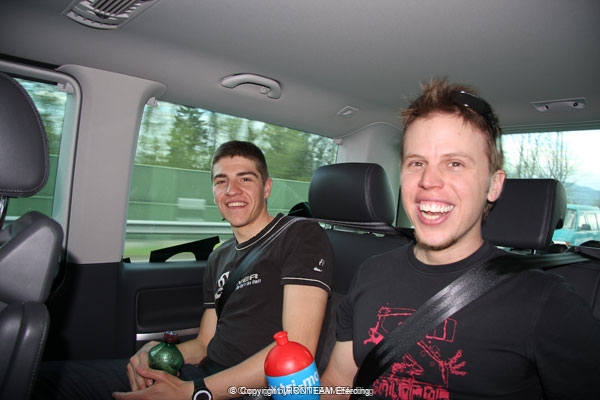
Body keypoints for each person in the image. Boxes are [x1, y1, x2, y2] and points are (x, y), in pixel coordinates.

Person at [320, 79, 600, 399]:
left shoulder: (546, 300)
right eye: (417, 163)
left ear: (493, 186)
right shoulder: (371, 273)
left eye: (455, 164)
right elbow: (338, 381)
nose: (429, 180)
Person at [34, 140, 333, 400]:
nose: (232, 191)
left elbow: (297, 348)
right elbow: (204, 343)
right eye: (221, 181)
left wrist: (195, 392)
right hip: (202, 375)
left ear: (267, 187)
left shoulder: (300, 235)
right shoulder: (220, 257)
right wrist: (156, 356)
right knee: (43, 379)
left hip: (248, 390)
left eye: (245, 179)